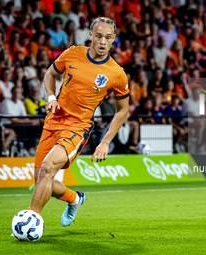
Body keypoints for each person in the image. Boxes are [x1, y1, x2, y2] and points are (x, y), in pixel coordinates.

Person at [27, 17, 129, 228]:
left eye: (108, 38)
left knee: (48, 169)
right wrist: (51, 96)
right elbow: (50, 73)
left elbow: (123, 110)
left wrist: (105, 142)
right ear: (91, 35)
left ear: (113, 40)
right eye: (99, 36)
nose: (102, 41)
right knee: (40, 180)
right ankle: (75, 199)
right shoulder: (72, 53)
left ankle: (31, 220)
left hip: (78, 127)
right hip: (53, 121)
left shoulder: (117, 73)